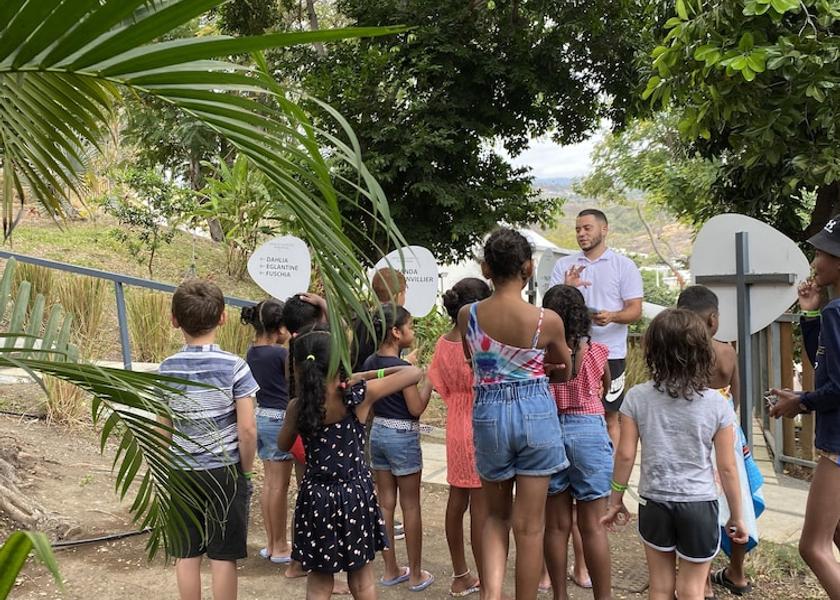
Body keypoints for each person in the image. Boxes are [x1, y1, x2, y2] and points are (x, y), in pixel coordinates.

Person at [602, 308, 748, 600]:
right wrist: (737, 515)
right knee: (692, 589)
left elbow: (626, 455)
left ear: (652, 351)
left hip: (654, 502)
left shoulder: (637, 398)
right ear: (702, 351)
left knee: (660, 587)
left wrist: (615, 499)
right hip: (699, 504)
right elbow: (728, 467)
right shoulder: (717, 405)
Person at [458, 228, 572, 600]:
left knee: (494, 516)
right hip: (536, 411)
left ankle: (491, 595)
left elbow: (473, 359)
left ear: (486, 268)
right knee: (530, 527)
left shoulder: (467, 315)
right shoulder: (547, 320)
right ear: (528, 266)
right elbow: (565, 368)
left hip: (488, 412)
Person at [278, 325, 425, 600]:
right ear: (339, 364)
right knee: (362, 580)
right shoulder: (358, 396)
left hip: (316, 498)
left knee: (320, 581)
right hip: (354, 496)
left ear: (297, 367)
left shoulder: (297, 408)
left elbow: (282, 445)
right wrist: (365, 375)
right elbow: (413, 373)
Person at [158, 279, 259, 600]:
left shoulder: (166, 369)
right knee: (223, 555)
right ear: (223, 317)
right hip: (225, 471)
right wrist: (245, 470)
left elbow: (163, 427)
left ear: (175, 320)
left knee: (186, 553)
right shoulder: (236, 368)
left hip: (181, 471)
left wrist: (166, 469)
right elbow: (247, 430)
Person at [678, 285, 765, 597]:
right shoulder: (727, 352)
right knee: (734, 502)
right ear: (713, 320)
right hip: (726, 438)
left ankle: (701, 582)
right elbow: (737, 401)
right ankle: (737, 574)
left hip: (691, 440)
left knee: (700, 504)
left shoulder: (677, 355)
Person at [770, 216, 840, 599]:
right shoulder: (829, 312)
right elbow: (826, 362)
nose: (813, 263)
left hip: (838, 444)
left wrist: (800, 402)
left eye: (820, 253)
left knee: (813, 546)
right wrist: (810, 314)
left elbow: (838, 385)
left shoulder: (838, 311)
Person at [541, 285, 613, 600]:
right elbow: (607, 386)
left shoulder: (541, 355)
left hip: (550, 432)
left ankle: (559, 595)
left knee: (556, 526)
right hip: (589, 431)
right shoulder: (596, 352)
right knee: (593, 527)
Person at [550, 209, 643, 447]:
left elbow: (635, 310)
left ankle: (610, 477)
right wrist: (567, 288)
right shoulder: (564, 265)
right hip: (569, 351)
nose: (581, 234)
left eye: (587, 228)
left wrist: (613, 316)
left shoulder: (624, 265)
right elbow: (551, 308)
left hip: (611, 352)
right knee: (564, 411)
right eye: (578, 229)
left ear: (604, 229)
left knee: (610, 415)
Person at [362, 304, 435, 591]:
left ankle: (391, 569)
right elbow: (415, 408)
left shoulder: (369, 362)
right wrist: (427, 381)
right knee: (411, 505)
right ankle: (416, 573)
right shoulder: (406, 370)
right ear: (395, 332)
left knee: (385, 503)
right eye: (410, 326)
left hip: (378, 432)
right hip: (402, 436)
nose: (412, 331)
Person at [427, 277, 491, 597]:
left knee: (456, 502)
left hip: (454, 425)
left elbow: (441, 385)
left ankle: (460, 574)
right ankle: (486, 585)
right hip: (479, 425)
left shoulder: (442, 342)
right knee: (481, 510)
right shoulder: (481, 343)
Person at [240, 299, 299, 565]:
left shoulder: (252, 352)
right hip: (279, 419)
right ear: (280, 327)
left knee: (270, 483)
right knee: (280, 485)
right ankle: (281, 545)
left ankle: (271, 542)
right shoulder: (281, 354)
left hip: (261, 414)